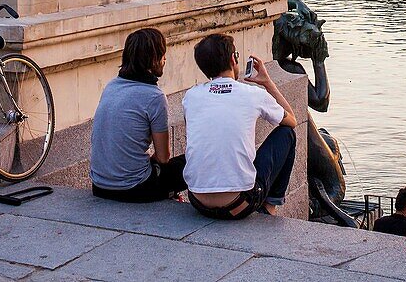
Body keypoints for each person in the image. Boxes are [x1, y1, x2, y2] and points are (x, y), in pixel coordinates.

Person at [183, 33, 297, 219]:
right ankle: (270, 207)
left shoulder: (191, 96)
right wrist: (268, 83)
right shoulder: (253, 94)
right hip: (239, 205)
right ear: (232, 59)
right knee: (287, 134)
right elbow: (291, 120)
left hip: (197, 201)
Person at [90, 28, 186, 202]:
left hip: (99, 186)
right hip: (135, 189)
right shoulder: (154, 96)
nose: (165, 59)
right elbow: (163, 157)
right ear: (154, 59)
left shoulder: (111, 86)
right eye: (163, 54)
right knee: (192, 162)